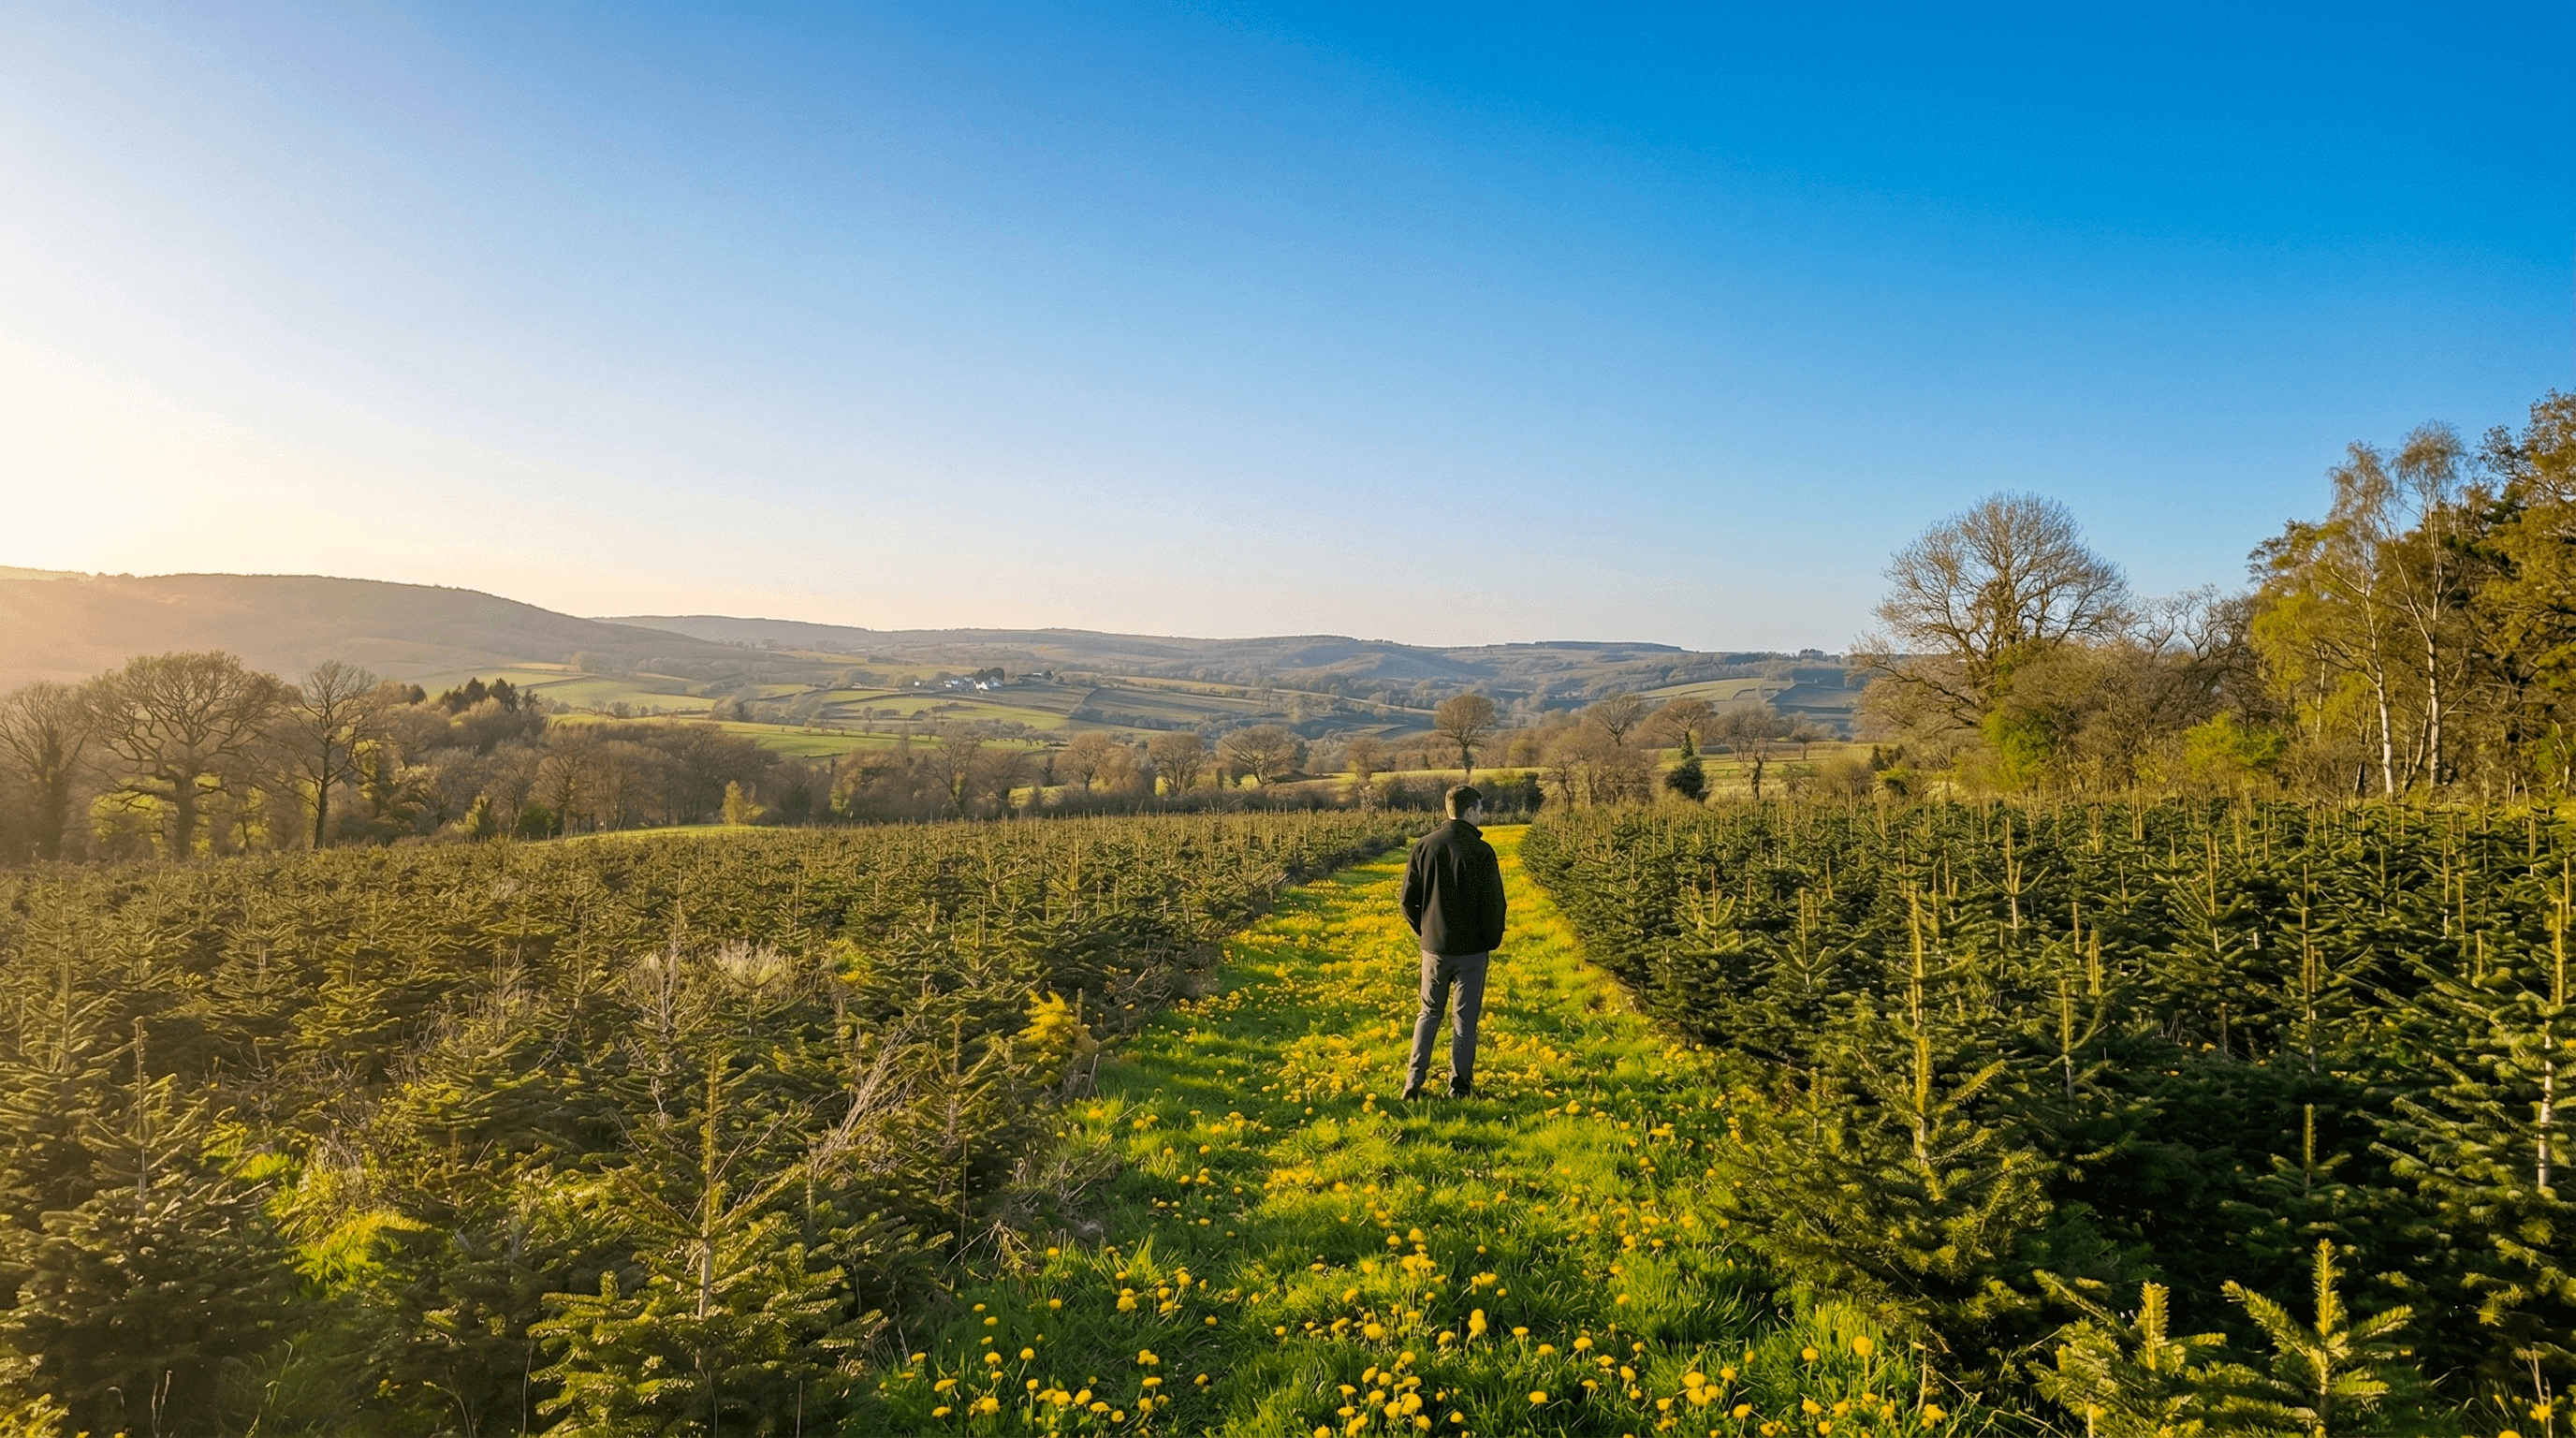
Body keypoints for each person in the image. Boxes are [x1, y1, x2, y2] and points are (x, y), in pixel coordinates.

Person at [1399, 785, 1506, 1099]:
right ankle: (1459, 1088)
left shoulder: (1424, 846)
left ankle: (1413, 1084)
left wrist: (1426, 931)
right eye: (1480, 811)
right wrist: (1491, 939)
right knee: (1465, 1020)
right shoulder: (1482, 851)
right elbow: (1495, 903)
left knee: (1429, 1013)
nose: (1481, 817)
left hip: (1435, 949)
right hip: (1472, 951)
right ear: (1470, 811)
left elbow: (1408, 899)